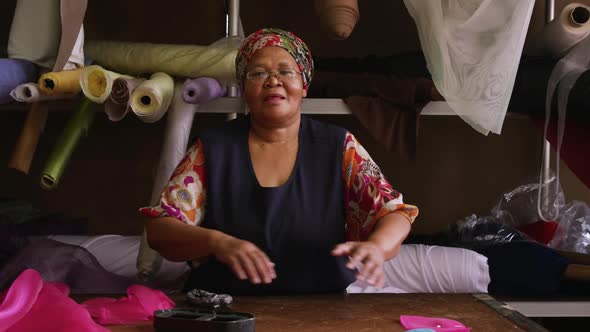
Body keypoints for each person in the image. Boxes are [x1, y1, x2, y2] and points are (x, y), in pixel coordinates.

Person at [140, 28, 418, 295]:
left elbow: (394, 213)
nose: (273, 81)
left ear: (304, 85)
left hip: (321, 313)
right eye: (258, 73)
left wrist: (378, 248)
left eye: (285, 71)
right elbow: (161, 229)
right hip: (224, 310)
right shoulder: (213, 148)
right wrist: (216, 242)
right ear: (244, 88)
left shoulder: (339, 146)